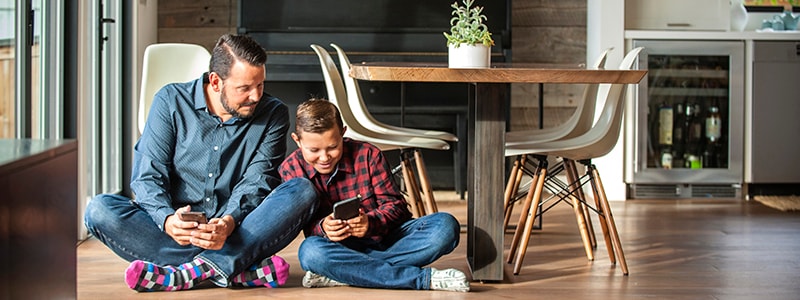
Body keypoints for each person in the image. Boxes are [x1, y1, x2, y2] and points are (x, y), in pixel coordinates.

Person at [83, 34, 317, 292]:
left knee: (302, 191)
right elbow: (148, 175)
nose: (255, 96)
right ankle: (232, 268)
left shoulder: (273, 113)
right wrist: (167, 220)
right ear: (216, 81)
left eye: (260, 85)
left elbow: (258, 180)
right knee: (99, 210)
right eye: (244, 88)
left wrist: (229, 222)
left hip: (237, 229)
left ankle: (187, 273)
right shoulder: (170, 101)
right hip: (175, 232)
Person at [279, 98, 470, 292]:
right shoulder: (291, 170)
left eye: (332, 147)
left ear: (343, 133)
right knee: (310, 252)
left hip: (387, 241)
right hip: (339, 250)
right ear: (297, 140)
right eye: (314, 150)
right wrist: (324, 228)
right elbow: (305, 229)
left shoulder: (368, 155)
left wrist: (370, 222)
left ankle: (346, 273)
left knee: (445, 227)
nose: (324, 157)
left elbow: (398, 208)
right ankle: (420, 279)